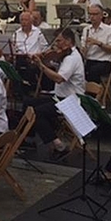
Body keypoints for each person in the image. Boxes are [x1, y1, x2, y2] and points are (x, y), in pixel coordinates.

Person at [26, 28, 85, 159]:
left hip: (70, 101)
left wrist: (41, 65)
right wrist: (41, 57)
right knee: (28, 102)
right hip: (59, 97)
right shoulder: (64, 55)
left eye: (59, 41)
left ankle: (58, 144)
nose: (56, 44)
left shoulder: (72, 58)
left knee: (37, 112)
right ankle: (28, 139)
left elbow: (59, 78)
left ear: (69, 41)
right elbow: (50, 62)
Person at [81, 5, 111, 84]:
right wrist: (83, 49)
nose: (92, 17)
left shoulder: (110, 30)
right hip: (89, 60)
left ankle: (94, 93)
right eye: (90, 14)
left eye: (95, 14)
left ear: (101, 15)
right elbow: (83, 49)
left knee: (93, 71)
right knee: (78, 70)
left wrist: (98, 43)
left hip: (104, 61)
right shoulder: (86, 29)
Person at [13, 11, 49, 93]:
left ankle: (28, 89)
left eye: (26, 20)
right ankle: (19, 90)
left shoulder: (38, 32)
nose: (24, 22)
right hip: (21, 58)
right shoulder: (16, 33)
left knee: (30, 68)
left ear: (31, 21)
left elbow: (45, 48)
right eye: (22, 20)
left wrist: (37, 55)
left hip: (35, 59)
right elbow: (14, 47)